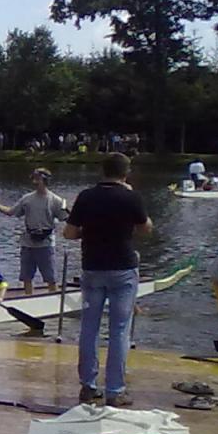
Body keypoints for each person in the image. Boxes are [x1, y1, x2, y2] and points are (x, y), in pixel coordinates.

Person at [64, 152, 153, 407]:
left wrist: (89, 232)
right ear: (126, 172)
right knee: (119, 330)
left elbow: (69, 233)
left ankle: (88, 386)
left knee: (89, 327)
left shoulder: (86, 196)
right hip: (123, 268)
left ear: (101, 171)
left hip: (93, 267)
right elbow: (146, 228)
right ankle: (115, 390)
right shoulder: (131, 197)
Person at [0, 168, 70, 295]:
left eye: (38, 178)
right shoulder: (27, 199)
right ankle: (28, 297)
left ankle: (54, 298)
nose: (35, 181)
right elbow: (11, 212)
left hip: (45, 244)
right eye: (33, 178)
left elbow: (67, 219)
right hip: (28, 243)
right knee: (27, 277)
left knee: (50, 277)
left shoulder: (56, 200)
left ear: (45, 180)